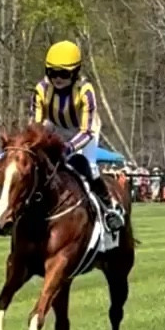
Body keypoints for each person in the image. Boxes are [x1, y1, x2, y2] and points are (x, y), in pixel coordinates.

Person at [33, 40, 123, 239]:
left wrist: (69, 147)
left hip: (84, 130)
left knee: (88, 166)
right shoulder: (41, 89)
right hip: (54, 125)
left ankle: (109, 210)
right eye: (52, 72)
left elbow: (87, 130)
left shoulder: (85, 91)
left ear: (75, 73)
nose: (57, 78)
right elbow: (37, 125)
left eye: (63, 74)